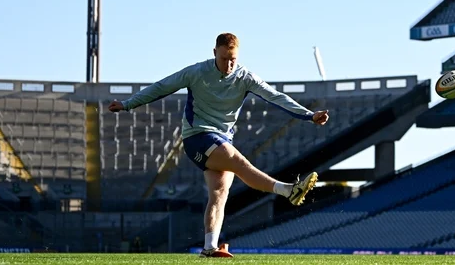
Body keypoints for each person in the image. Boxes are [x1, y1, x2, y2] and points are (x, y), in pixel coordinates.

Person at [108, 33, 329, 258]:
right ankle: (288, 190)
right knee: (238, 161)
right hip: (197, 137)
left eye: (233, 59)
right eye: (224, 58)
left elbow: (276, 97)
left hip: (223, 138)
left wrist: (309, 115)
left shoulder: (245, 77)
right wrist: (127, 104)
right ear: (214, 53)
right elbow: (162, 86)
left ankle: (209, 248)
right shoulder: (196, 72)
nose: (229, 64)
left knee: (219, 193)